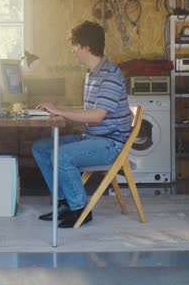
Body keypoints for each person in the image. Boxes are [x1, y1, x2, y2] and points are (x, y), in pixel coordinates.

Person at [32, 20, 132, 228]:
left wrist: (60, 111)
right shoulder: (92, 74)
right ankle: (64, 203)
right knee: (41, 148)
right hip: (92, 138)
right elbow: (89, 112)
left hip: (109, 144)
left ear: (86, 48)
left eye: (75, 47)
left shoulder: (111, 76)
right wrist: (58, 108)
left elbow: (96, 116)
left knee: (62, 155)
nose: (73, 51)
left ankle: (80, 210)